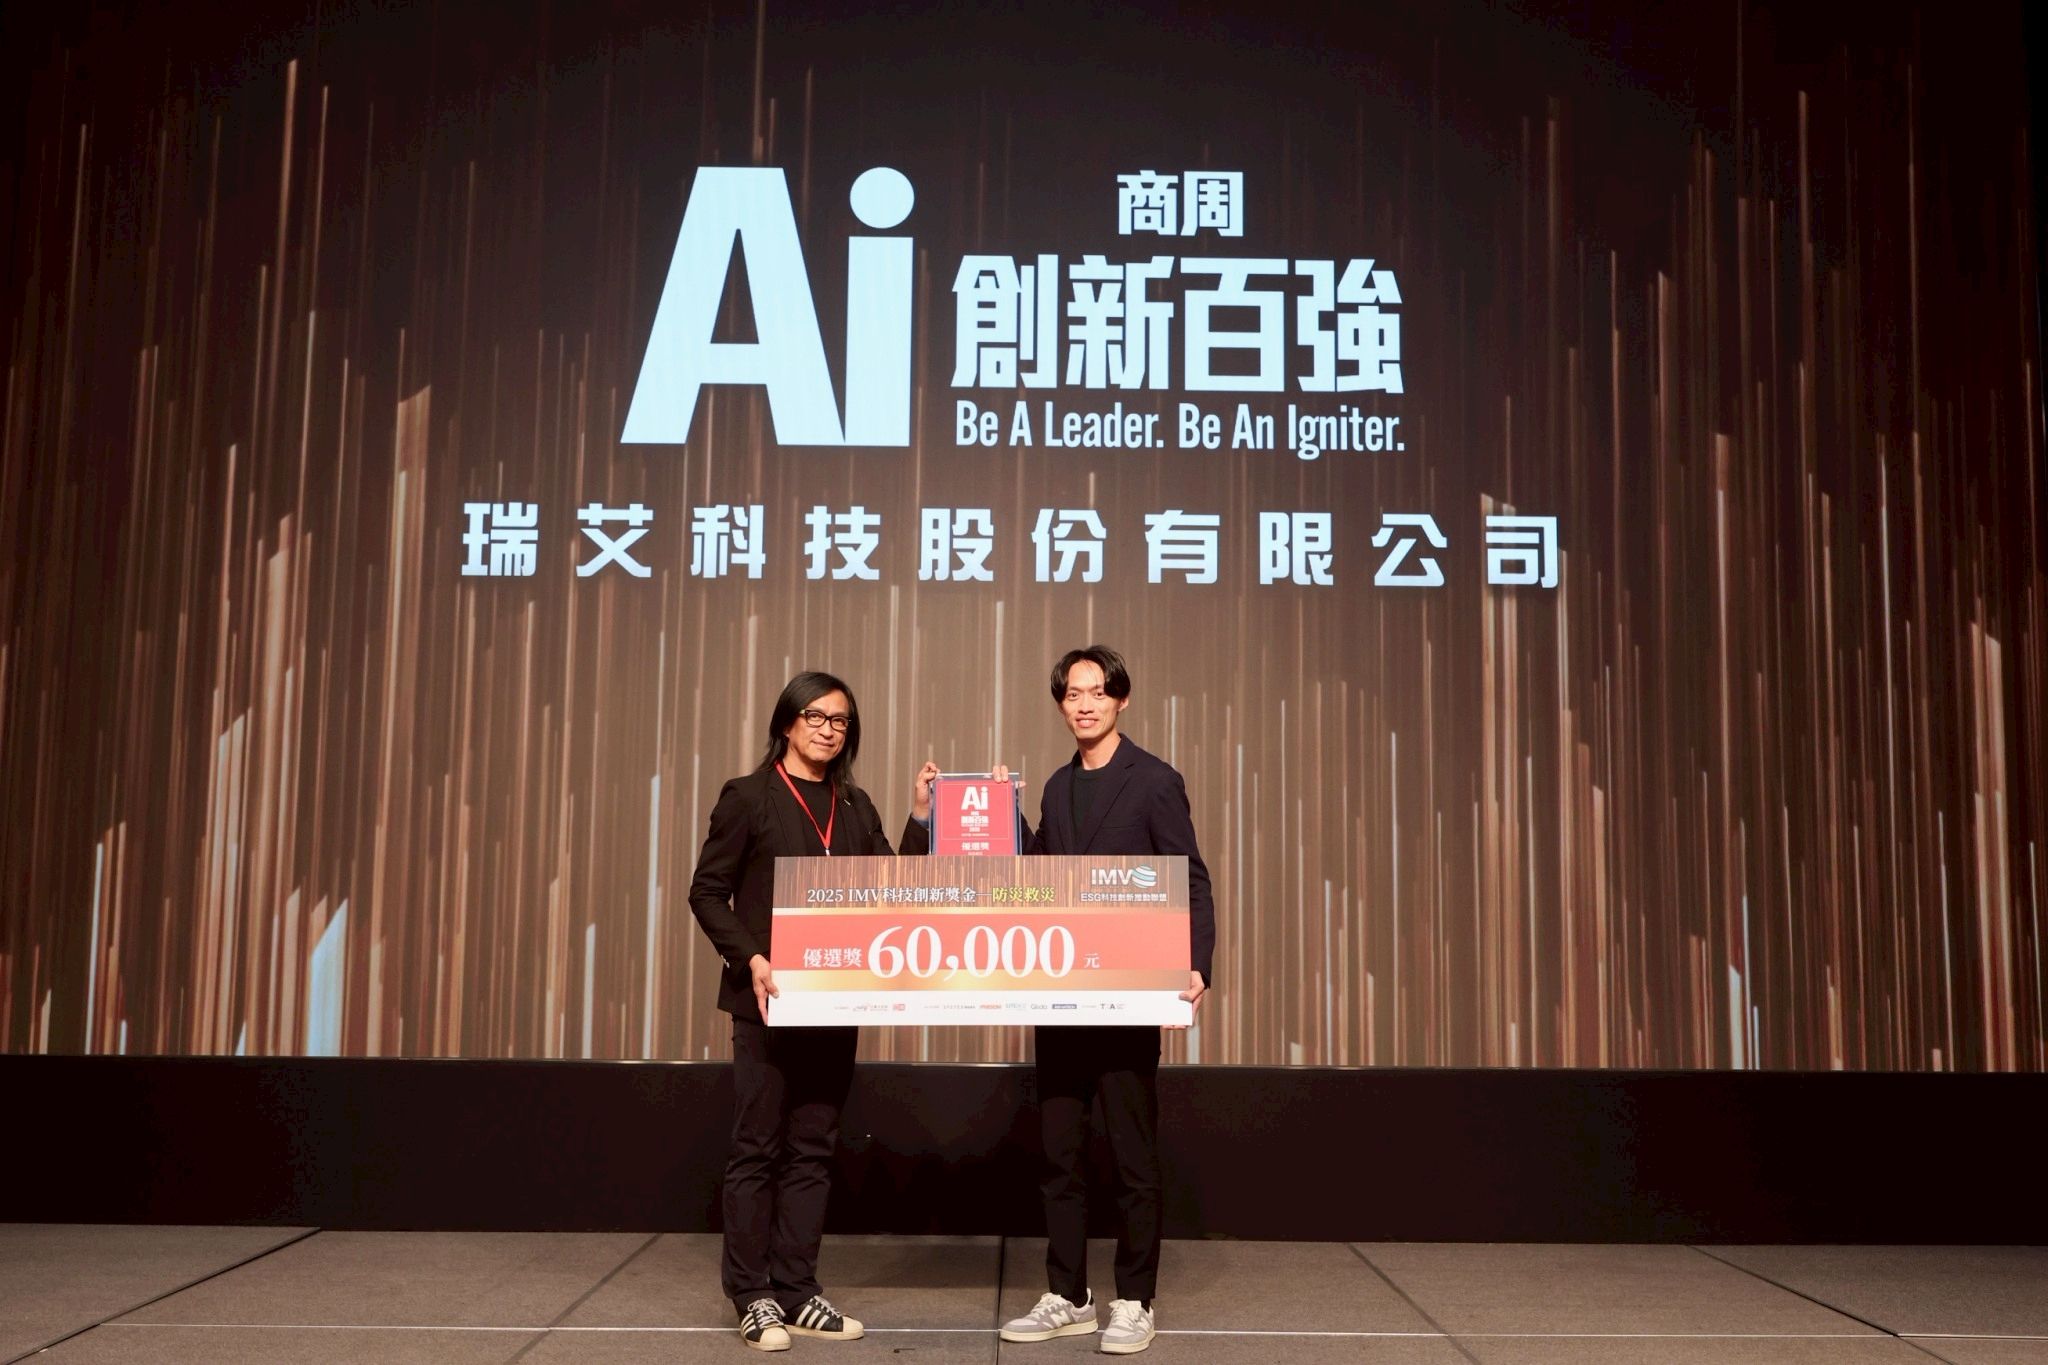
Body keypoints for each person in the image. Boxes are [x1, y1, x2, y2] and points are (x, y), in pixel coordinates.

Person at [688, 670, 936, 1352]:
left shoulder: (855, 804)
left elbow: (893, 886)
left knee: (813, 1150)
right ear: (788, 722)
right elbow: (706, 891)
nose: (829, 729)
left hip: (834, 999)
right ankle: (752, 1294)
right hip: (768, 1002)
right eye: (817, 716)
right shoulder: (748, 796)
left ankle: (797, 1290)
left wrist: (920, 816)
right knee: (757, 1147)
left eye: (841, 720)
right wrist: (751, 957)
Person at [997, 645, 1215, 1357]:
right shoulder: (1056, 786)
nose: (1084, 704)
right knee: (1060, 1155)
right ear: (1061, 704)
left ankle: (1136, 1299)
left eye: (1097, 691)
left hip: (1126, 994)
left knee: (1131, 1158)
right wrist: (999, 815)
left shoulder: (1154, 780)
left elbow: (1190, 878)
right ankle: (1069, 1295)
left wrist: (1196, 963)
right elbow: (1039, 873)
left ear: (1121, 699)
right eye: (1072, 693)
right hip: (1062, 997)